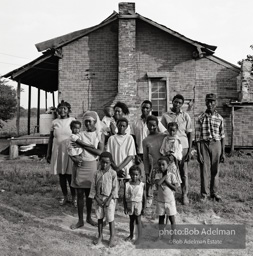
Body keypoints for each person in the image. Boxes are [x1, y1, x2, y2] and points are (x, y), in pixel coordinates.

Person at [70, 111, 105, 229]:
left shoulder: (99, 135)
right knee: (80, 193)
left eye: (90, 121)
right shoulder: (79, 134)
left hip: (92, 166)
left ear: (95, 122)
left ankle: (89, 217)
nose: (88, 124)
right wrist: (74, 158)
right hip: (80, 165)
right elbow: (71, 147)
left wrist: (83, 145)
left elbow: (100, 152)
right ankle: (80, 220)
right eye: (86, 121)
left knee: (90, 194)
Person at [161, 94, 192, 205]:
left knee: (183, 172)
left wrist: (189, 150)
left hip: (183, 146)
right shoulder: (166, 116)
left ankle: (184, 195)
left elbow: (189, 133)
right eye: (175, 102)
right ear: (172, 102)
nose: (177, 104)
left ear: (182, 104)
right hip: (170, 148)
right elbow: (163, 132)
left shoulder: (186, 116)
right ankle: (171, 193)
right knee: (171, 171)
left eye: (180, 102)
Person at [195, 93, 225, 202]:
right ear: (205, 102)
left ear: (215, 103)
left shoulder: (219, 118)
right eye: (208, 101)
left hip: (216, 144)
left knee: (215, 170)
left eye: (212, 101)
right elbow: (197, 137)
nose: (210, 104)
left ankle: (214, 193)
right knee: (204, 170)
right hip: (204, 144)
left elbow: (222, 136)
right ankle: (204, 194)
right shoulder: (200, 117)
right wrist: (199, 153)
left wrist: (223, 153)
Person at [46, 100, 76, 206]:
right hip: (58, 150)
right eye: (60, 108)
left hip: (69, 150)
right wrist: (48, 152)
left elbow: (77, 136)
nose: (62, 110)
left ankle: (74, 198)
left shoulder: (72, 120)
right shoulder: (54, 122)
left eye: (65, 108)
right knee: (61, 175)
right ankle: (65, 196)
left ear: (68, 110)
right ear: (57, 110)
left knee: (70, 175)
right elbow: (51, 138)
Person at [89, 152, 118, 248]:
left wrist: (109, 200)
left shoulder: (113, 173)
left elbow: (114, 188)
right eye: (103, 162)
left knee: (110, 219)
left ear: (110, 163)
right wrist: (96, 199)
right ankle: (100, 235)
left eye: (107, 162)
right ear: (99, 162)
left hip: (109, 200)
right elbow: (93, 187)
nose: (104, 164)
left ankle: (112, 237)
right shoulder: (96, 173)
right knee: (99, 218)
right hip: (98, 199)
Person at [143, 115, 166, 208]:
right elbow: (145, 158)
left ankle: (165, 204)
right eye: (149, 125)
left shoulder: (164, 136)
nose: (152, 127)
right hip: (153, 167)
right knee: (150, 187)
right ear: (146, 125)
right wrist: (147, 172)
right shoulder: (146, 140)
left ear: (157, 125)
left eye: (154, 125)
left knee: (165, 187)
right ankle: (149, 203)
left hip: (164, 166)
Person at [155, 157, 179, 240]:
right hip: (160, 201)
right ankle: (160, 235)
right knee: (161, 219)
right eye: (159, 165)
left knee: (172, 219)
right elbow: (158, 183)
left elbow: (175, 188)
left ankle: (173, 237)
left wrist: (166, 181)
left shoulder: (172, 175)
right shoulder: (158, 175)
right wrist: (165, 176)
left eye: (163, 164)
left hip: (170, 202)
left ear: (168, 165)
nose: (161, 166)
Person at [123, 165, 146, 245]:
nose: (134, 176)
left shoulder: (142, 185)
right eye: (132, 174)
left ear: (139, 175)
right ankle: (131, 235)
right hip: (130, 205)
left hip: (138, 205)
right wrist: (125, 206)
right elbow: (124, 196)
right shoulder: (127, 184)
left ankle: (139, 237)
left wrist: (144, 208)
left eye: (136, 174)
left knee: (138, 220)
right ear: (129, 174)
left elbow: (144, 197)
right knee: (131, 220)